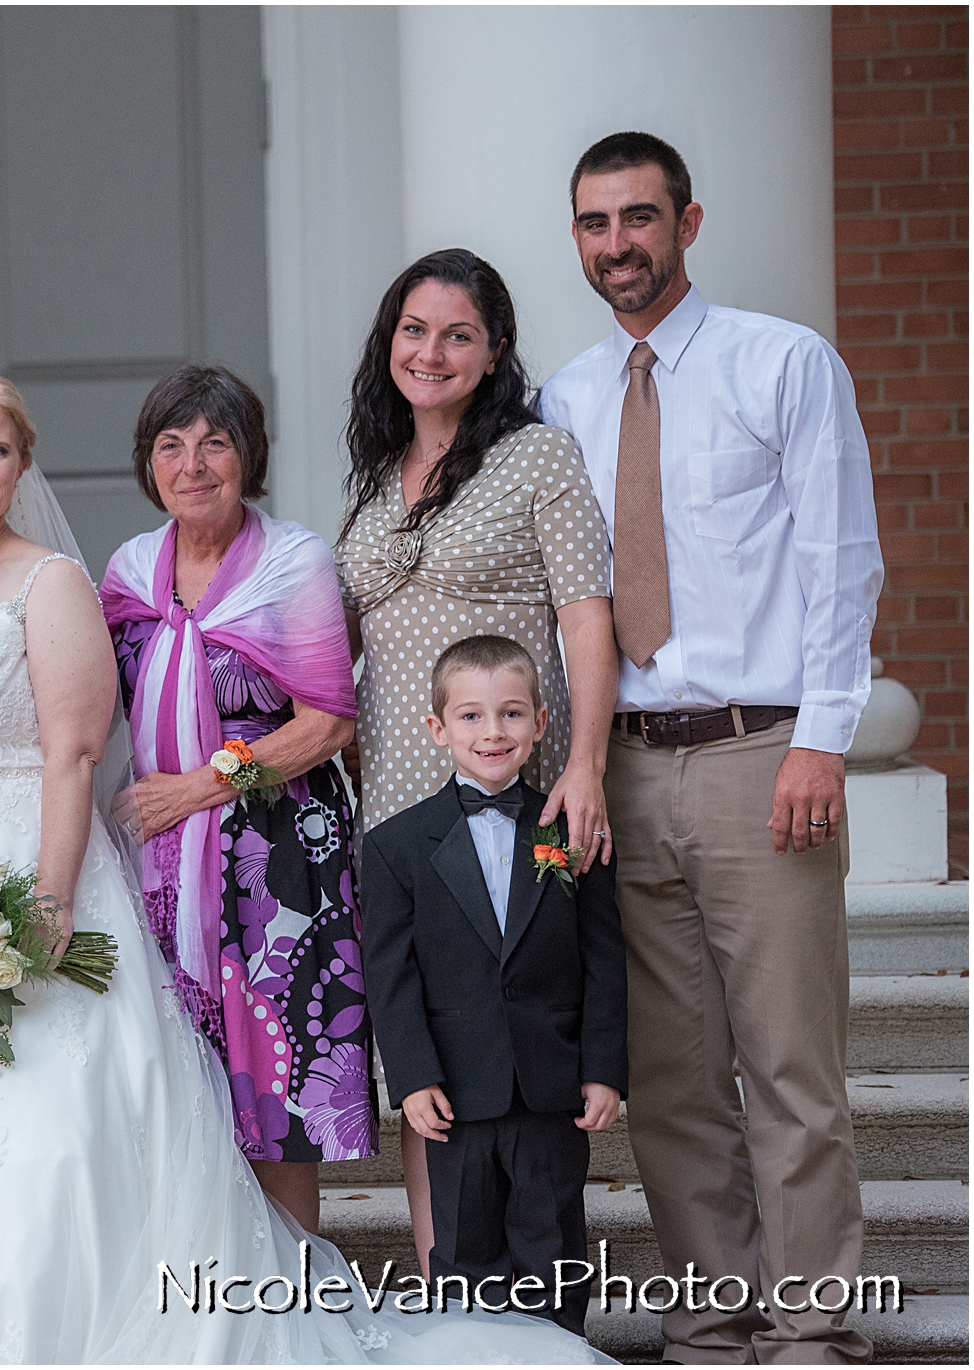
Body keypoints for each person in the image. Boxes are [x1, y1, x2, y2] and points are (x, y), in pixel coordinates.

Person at [0, 372, 606, 1364]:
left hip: (60, 868)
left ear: (21, 466)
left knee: (94, 1127)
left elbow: (76, 751)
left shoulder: (52, 581)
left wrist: (46, 899)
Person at [537, 130, 883, 1364]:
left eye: (637, 217)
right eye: (593, 223)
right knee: (673, 1074)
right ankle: (713, 1307)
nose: (615, 244)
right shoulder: (563, 398)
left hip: (759, 753)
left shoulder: (782, 363)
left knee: (789, 1059)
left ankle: (812, 1321)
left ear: (687, 221)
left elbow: (840, 559)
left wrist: (823, 740)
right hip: (621, 764)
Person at [335, 247, 617, 1275]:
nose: (432, 351)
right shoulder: (373, 473)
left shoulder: (537, 457)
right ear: (388, 342)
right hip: (402, 805)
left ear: (492, 350)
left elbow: (586, 619)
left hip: (513, 784)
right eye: (414, 329)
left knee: (513, 1024)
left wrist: (582, 762)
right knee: (429, 1043)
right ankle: (441, 1284)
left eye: (457, 333)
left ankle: (528, 1292)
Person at [101, 365, 367, 1233]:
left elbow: (326, 722)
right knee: (179, 1090)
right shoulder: (129, 572)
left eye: (216, 441)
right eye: (170, 445)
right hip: (162, 865)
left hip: (280, 860)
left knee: (275, 1093)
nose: (193, 463)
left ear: (248, 455)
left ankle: (287, 1302)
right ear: (149, 464)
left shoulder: (293, 562)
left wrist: (202, 788)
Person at [361, 635, 628, 1338]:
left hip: (551, 1088)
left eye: (511, 714)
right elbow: (390, 976)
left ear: (541, 723)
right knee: (464, 1253)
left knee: (554, 1250)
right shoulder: (395, 846)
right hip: (456, 1092)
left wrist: (603, 1070)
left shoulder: (574, 832)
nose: (492, 733)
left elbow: (604, 962)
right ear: (437, 729)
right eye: (472, 717)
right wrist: (412, 1078)